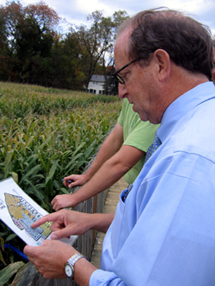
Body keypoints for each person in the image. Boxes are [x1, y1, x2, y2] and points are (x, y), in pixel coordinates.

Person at [24, 8, 215, 286]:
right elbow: (157, 229)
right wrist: (90, 221)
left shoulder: (188, 161)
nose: (121, 92)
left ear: (161, 64)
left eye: (123, 76)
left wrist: (72, 265)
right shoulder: (195, 127)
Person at [51, 97, 159, 210]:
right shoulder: (129, 100)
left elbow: (121, 164)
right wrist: (88, 176)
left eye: (126, 80)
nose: (120, 93)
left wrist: (74, 198)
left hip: (150, 194)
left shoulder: (152, 109)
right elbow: (114, 140)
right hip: (135, 187)